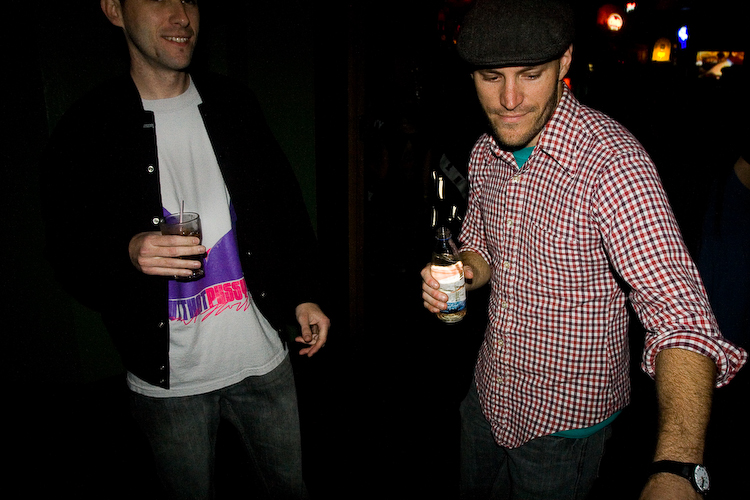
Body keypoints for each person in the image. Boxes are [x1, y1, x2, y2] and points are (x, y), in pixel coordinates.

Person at [419, 1, 746, 499]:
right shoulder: (485, 151)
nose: (509, 99)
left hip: (563, 427)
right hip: (486, 398)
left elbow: (681, 315)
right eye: (491, 77)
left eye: (531, 75)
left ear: (565, 62)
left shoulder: (611, 163)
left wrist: (678, 467)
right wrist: (462, 271)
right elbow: (481, 247)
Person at [39, 0, 329, 498]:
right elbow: (67, 251)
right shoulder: (88, 126)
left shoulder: (235, 104)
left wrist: (302, 293)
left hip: (263, 361)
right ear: (114, 10)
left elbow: (284, 208)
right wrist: (126, 251)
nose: (180, 14)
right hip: (169, 385)